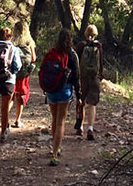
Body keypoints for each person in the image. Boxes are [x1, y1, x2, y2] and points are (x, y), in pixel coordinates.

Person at [40, 29, 80, 166]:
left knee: (54, 119)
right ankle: (55, 153)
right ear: (70, 39)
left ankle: (55, 146)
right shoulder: (72, 55)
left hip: (51, 90)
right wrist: (79, 95)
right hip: (65, 91)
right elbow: (76, 77)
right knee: (60, 122)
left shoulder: (52, 53)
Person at [78, 25, 103, 140]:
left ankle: (80, 127)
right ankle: (90, 128)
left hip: (83, 77)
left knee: (81, 101)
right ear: (96, 34)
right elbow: (101, 63)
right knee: (92, 104)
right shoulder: (99, 46)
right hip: (95, 77)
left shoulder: (81, 45)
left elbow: (76, 60)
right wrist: (100, 76)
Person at [11, 20, 36, 128]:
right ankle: (18, 120)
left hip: (12, 72)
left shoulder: (12, 41)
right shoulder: (29, 42)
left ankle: (5, 119)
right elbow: (33, 58)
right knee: (20, 95)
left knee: (10, 96)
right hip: (24, 74)